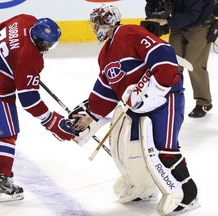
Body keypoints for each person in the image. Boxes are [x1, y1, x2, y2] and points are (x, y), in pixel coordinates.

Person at [71, 4, 199, 215]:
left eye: (96, 23)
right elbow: (107, 89)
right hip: (142, 103)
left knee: (165, 148)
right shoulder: (105, 53)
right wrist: (91, 116)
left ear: (107, 21)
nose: (94, 28)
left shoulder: (129, 33)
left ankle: (189, 193)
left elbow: (164, 53)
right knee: (137, 145)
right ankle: (144, 186)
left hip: (167, 96)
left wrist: (157, 89)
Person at [0, 14, 76, 203]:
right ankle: (2, 182)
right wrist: (51, 121)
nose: (47, 49)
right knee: (9, 133)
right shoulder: (30, 58)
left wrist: (14, 64)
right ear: (38, 40)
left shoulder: (24, 20)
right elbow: (29, 100)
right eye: (45, 45)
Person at [144, 0, 215, 118]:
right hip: (178, 23)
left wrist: (166, 21)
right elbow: (151, 3)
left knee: (194, 64)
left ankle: (204, 102)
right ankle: (171, 97)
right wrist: (152, 18)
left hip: (200, 24)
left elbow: (192, 15)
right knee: (171, 63)